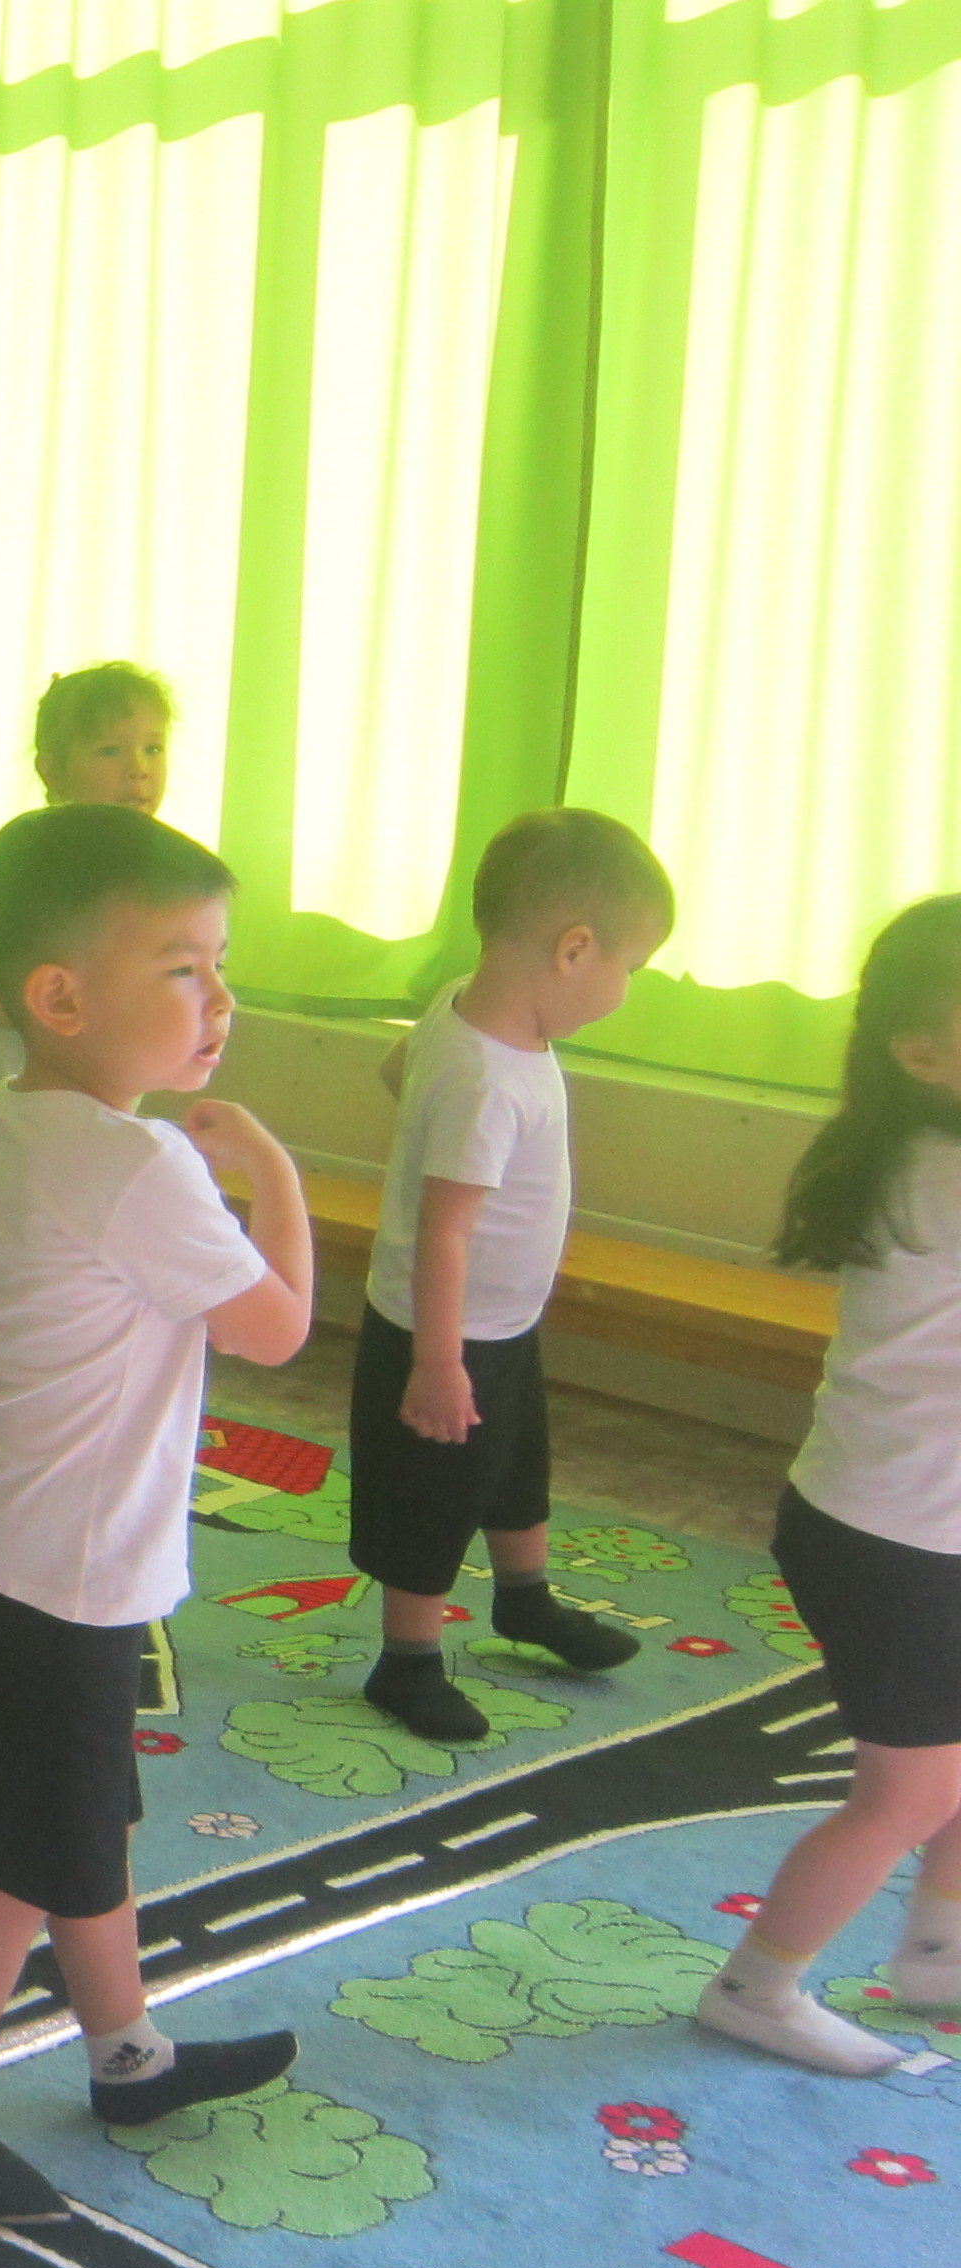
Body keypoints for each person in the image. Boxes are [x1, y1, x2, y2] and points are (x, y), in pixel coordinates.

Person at [0, 804, 316, 2225]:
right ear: (60, 996)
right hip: (59, 1577)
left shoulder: (5, 1122)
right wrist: (277, 1176)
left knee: (80, 1826)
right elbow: (278, 1327)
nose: (221, 999)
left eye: (222, 963)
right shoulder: (138, 1165)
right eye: (183, 967)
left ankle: (127, 2053)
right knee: (26, 1859)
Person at [696, 894, 961, 2073]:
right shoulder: (942, 1178)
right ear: (924, 1053)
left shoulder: (913, 1150)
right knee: (907, 1792)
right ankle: (758, 1986)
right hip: (895, 1541)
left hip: (897, 1522)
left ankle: (940, 1951)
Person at [348, 809, 680, 1738]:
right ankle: (406, 1663)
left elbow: (395, 1070)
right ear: (575, 950)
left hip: (498, 1322)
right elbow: (444, 1231)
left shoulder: (464, 1004)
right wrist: (437, 1363)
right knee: (430, 1499)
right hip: (446, 1335)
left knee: (513, 1468)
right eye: (632, 965)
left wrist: (433, 1115)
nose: (628, 986)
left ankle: (525, 1599)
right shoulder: (488, 1078)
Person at [0, 662, 178, 1104]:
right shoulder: (33, 866)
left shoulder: (165, 873)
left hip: (107, 1112)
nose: (138, 768)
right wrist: (66, 1015)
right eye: (110, 751)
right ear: (52, 771)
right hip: (19, 1112)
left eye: (153, 748)